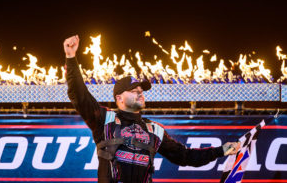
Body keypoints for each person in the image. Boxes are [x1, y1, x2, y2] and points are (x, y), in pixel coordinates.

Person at [64, 35, 240, 183]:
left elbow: (186, 157)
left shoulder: (154, 130)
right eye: (134, 91)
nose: (140, 94)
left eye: (141, 91)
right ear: (119, 98)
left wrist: (222, 150)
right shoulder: (104, 120)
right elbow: (80, 96)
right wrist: (71, 58)